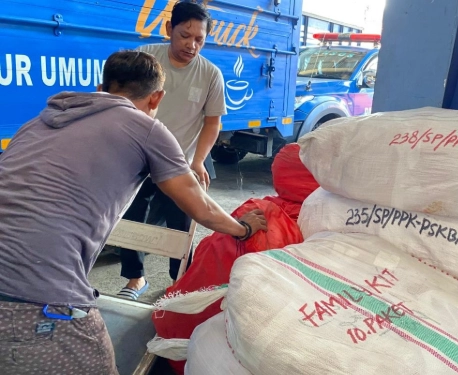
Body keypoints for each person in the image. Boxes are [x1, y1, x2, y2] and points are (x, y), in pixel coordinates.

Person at [0, 50, 266, 375]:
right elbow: (201, 208)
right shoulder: (146, 129)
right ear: (157, 98)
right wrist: (244, 229)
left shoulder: (37, 122)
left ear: (101, 87)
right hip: (37, 298)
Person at [117, 0, 227, 299]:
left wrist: (199, 161)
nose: (191, 45)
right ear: (169, 29)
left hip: (180, 163)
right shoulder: (146, 61)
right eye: (184, 35)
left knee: (182, 223)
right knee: (132, 218)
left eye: (199, 40)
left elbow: (212, 123)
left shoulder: (210, 74)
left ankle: (179, 280)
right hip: (138, 159)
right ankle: (135, 278)